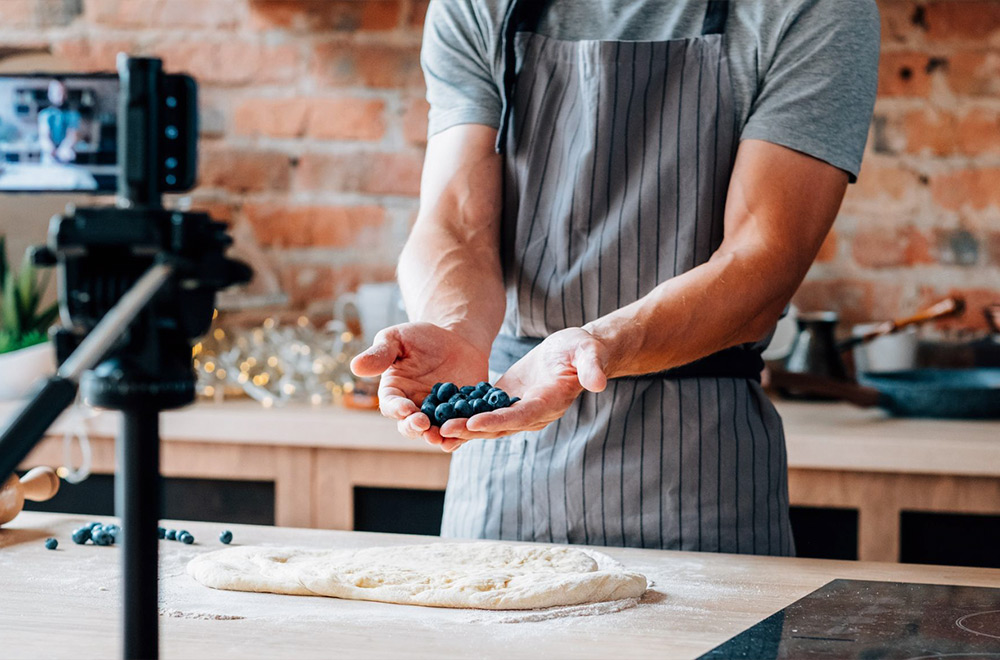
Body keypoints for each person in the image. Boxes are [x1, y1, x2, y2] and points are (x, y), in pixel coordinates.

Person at [352, 0, 879, 554]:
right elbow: (454, 221)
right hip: (501, 460)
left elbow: (763, 259)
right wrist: (456, 328)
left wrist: (599, 346)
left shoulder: (815, 9)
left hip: (702, 480)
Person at [38, 79, 80, 164]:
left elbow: (72, 135)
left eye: (62, 92)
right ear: (50, 94)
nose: (60, 95)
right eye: (56, 92)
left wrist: (63, 150)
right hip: (49, 159)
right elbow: (44, 136)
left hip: (66, 157)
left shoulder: (73, 114)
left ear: (66, 94)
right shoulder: (44, 115)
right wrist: (52, 150)